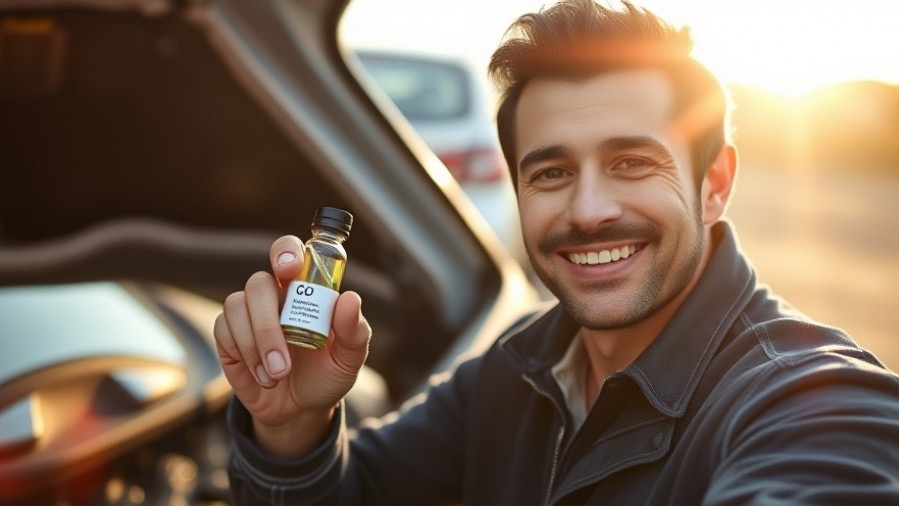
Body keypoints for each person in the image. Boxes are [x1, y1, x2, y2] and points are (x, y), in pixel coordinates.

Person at [214, 0, 899, 503]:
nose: (588, 210)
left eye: (631, 162)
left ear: (713, 183)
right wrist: (295, 428)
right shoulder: (515, 368)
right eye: (550, 173)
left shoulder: (818, 401)